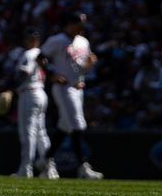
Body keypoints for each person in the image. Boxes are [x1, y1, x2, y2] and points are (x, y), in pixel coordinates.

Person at [41, 13, 103, 179]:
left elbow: (82, 68)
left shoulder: (83, 41)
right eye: (79, 24)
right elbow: (41, 57)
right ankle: (83, 167)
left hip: (78, 88)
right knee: (78, 123)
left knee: (65, 127)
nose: (82, 28)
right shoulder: (57, 40)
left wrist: (89, 65)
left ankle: (46, 160)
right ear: (69, 24)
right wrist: (51, 74)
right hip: (63, 87)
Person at [12, 29, 52, 178]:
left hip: (29, 93)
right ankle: (50, 170)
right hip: (40, 93)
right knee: (41, 133)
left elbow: (23, 74)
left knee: (28, 133)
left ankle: (25, 169)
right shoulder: (41, 54)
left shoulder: (28, 54)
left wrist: (10, 89)